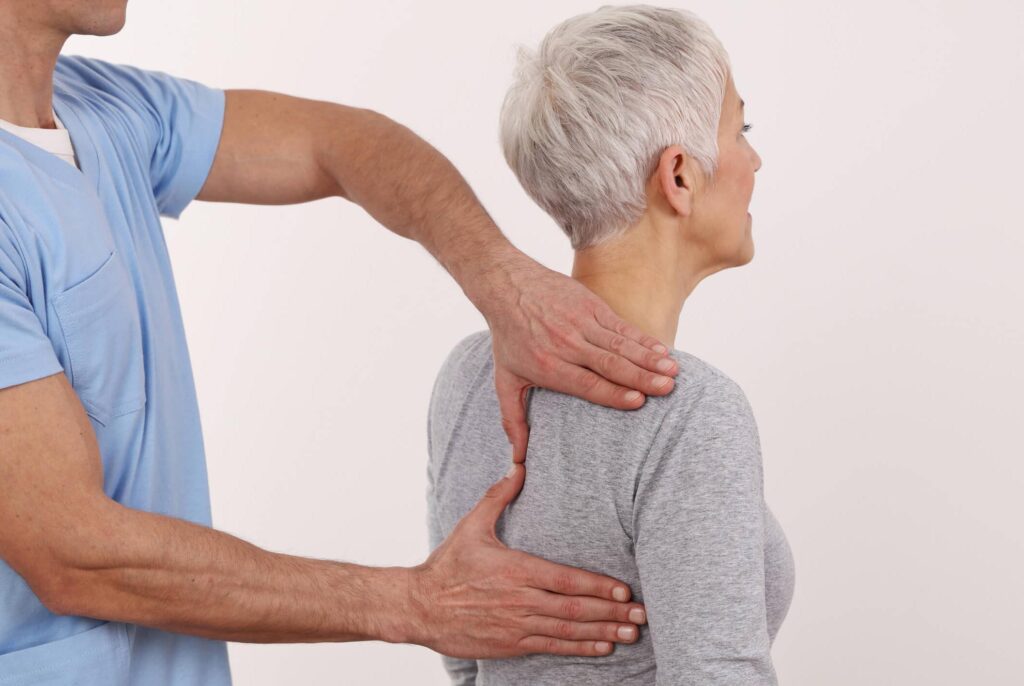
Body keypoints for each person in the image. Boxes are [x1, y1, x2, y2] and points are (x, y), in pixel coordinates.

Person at [0, 1, 691, 683]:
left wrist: (500, 280)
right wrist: (412, 603)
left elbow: (347, 144)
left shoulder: (110, 110)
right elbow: (71, 552)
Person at [427, 5, 795, 684]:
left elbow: (467, 663)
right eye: (740, 129)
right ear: (679, 176)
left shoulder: (470, 378)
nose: (755, 157)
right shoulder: (688, 414)